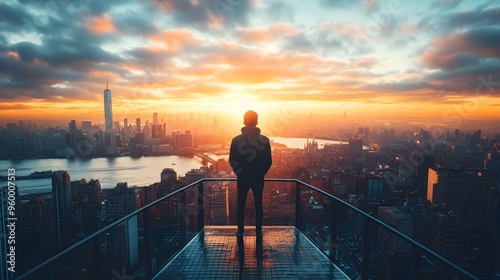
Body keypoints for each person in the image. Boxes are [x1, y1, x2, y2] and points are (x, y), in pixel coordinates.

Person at [229, 110, 272, 238]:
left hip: (242, 177)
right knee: (259, 204)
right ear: (257, 121)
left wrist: (239, 173)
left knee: (240, 205)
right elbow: (268, 161)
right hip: (258, 178)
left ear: (244, 121)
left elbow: (232, 159)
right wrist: (260, 173)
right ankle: (258, 231)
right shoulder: (264, 140)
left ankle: (240, 231)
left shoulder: (236, 140)